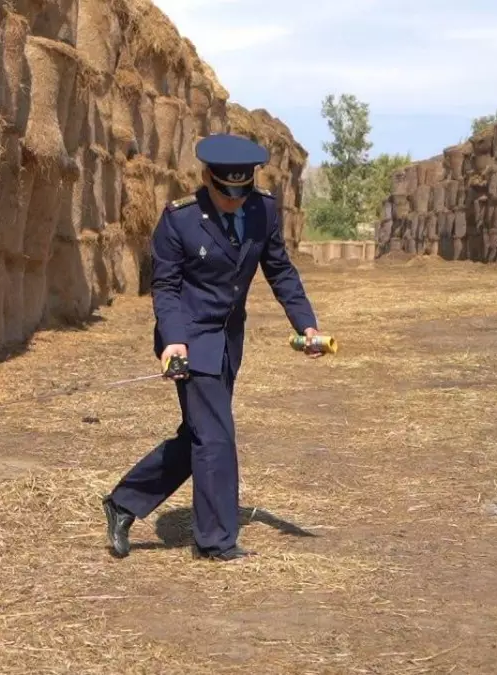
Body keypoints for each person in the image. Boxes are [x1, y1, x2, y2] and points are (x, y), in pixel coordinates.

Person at [102, 133, 324, 561]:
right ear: (207, 178)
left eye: (241, 193)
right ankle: (216, 542)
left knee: (201, 434)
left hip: (228, 339)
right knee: (217, 436)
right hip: (189, 338)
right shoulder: (179, 220)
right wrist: (174, 342)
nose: (234, 202)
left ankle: (123, 502)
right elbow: (165, 287)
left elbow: (281, 271)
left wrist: (308, 326)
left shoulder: (263, 211)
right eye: (226, 193)